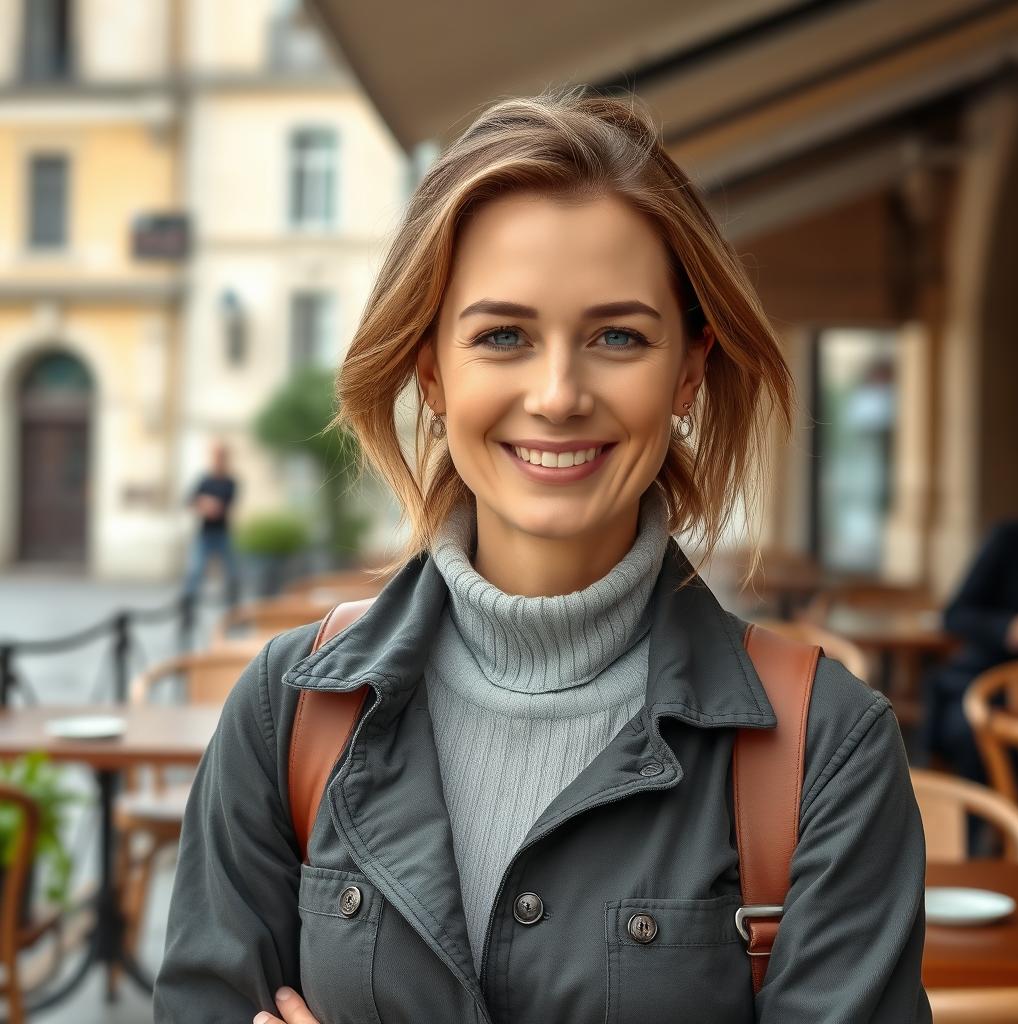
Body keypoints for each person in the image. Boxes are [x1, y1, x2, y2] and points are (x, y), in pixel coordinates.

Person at [153, 87, 930, 1024]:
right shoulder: (290, 714)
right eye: (503, 336)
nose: (558, 394)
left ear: (688, 369)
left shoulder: (825, 753)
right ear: (433, 369)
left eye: (617, 336)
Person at [921, 518, 1018, 783]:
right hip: (988, 684)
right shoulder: (1010, 539)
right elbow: (954, 615)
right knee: (970, 733)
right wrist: (1008, 628)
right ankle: (979, 822)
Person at [183, 440, 240, 607]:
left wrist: (205, 502)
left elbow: (221, 508)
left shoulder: (230, 482)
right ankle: (188, 609)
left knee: (232, 573)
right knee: (195, 572)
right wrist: (206, 504)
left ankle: (233, 609)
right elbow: (189, 501)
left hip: (222, 533)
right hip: (205, 534)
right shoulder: (204, 480)